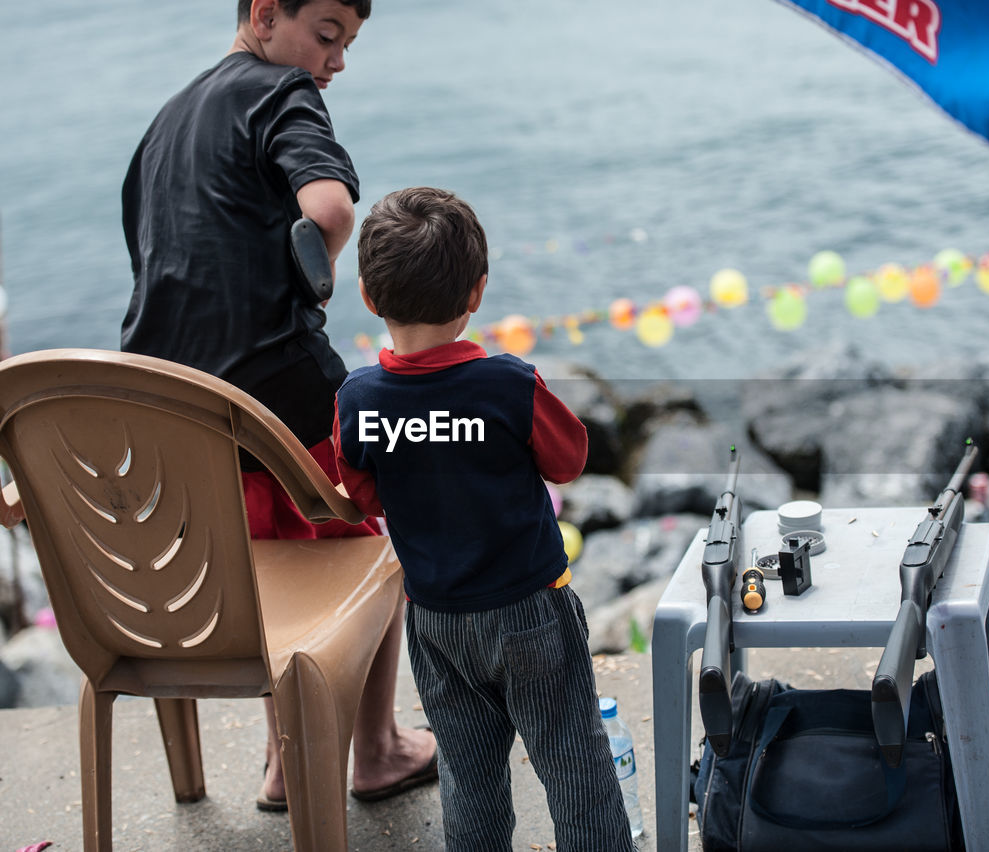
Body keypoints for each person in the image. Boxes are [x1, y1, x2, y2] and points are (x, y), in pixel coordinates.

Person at [119, 0, 437, 809]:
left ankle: (281, 761)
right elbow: (330, 209)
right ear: (264, 15)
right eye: (327, 36)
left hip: (175, 418)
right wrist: (311, 277)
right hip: (278, 392)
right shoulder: (278, 89)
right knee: (371, 544)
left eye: (347, 45)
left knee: (272, 560)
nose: (334, 62)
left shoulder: (161, 128)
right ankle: (376, 750)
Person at [334, 186, 636, 851]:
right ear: (477, 292)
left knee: (469, 781)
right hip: (531, 611)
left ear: (368, 297)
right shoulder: (507, 384)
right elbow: (570, 460)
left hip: (436, 620)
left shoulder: (359, 398)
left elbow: (361, 498)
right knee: (574, 765)